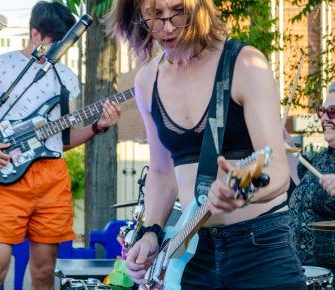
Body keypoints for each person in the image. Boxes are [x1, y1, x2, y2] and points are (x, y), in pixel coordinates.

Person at [104, 0, 306, 289]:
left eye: (178, 12)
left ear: (200, 7)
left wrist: (241, 191)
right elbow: (162, 172)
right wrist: (151, 232)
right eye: (154, 15)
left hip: (259, 247)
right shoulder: (148, 79)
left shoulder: (245, 64)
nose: (167, 26)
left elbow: (275, 169)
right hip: (193, 254)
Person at [0, 1, 121, 289]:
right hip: (5, 179)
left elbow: (62, 141)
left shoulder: (66, 77)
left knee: (43, 273)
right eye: (53, 41)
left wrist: (96, 127)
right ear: (35, 34)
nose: (58, 49)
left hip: (52, 180)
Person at [288, 90, 335, 271]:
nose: (324, 119)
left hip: (327, 272)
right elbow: (299, 182)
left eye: (332, 112)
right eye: (322, 111)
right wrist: (286, 146)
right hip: (299, 265)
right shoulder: (323, 157)